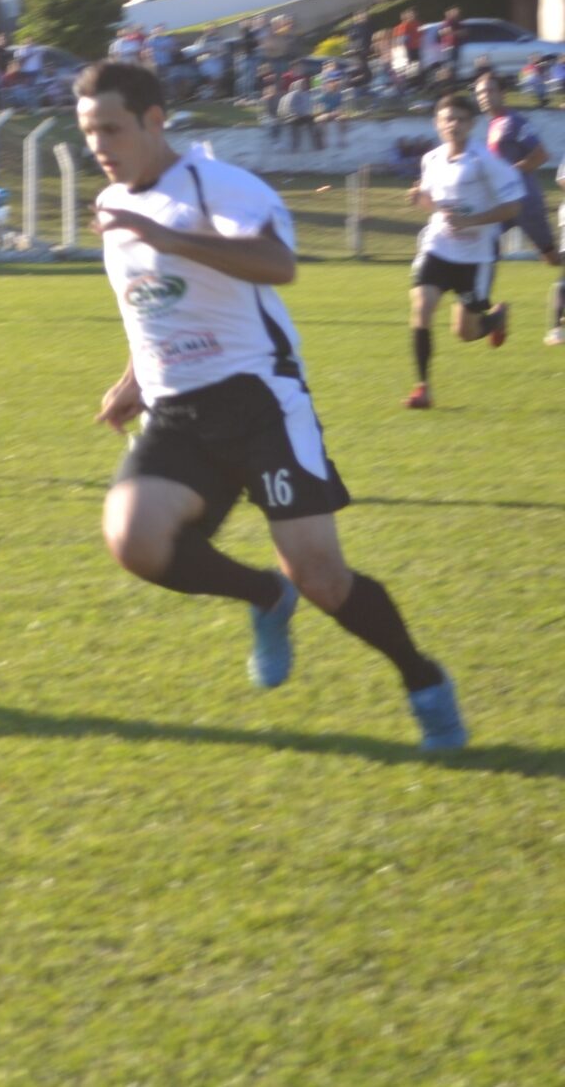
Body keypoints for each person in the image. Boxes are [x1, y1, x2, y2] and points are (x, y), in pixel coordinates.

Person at [76, 60, 465, 751]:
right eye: (88, 131)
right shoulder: (113, 206)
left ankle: (422, 678)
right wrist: (133, 377)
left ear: (154, 120)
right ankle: (263, 596)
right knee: (133, 539)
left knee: (320, 576)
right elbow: (154, 305)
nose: (100, 144)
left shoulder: (217, 184)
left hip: (259, 402)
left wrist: (168, 235)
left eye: (111, 127)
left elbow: (276, 261)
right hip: (176, 413)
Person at [402, 90, 527, 408]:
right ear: (437, 123)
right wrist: (419, 197)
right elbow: (433, 201)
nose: (453, 124)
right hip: (438, 247)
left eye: (460, 119)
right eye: (447, 119)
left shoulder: (486, 162)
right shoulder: (431, 159)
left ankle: (492, 321)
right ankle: (422, 388)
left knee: (465, 332)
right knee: (422, 307)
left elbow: (512, 207)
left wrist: (473, 220)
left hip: (476, 257)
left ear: (471, 124)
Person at [472, 69, 563, 345]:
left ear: (502, 93)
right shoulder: (493, 126)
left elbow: (541, 155)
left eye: (489, 91)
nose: (484, 97)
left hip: (526, 204)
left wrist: (509, 173)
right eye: (479, 93)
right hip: (503, 205)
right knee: (484, 248)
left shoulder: (514, 121)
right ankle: (490, 314)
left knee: (552, 259)